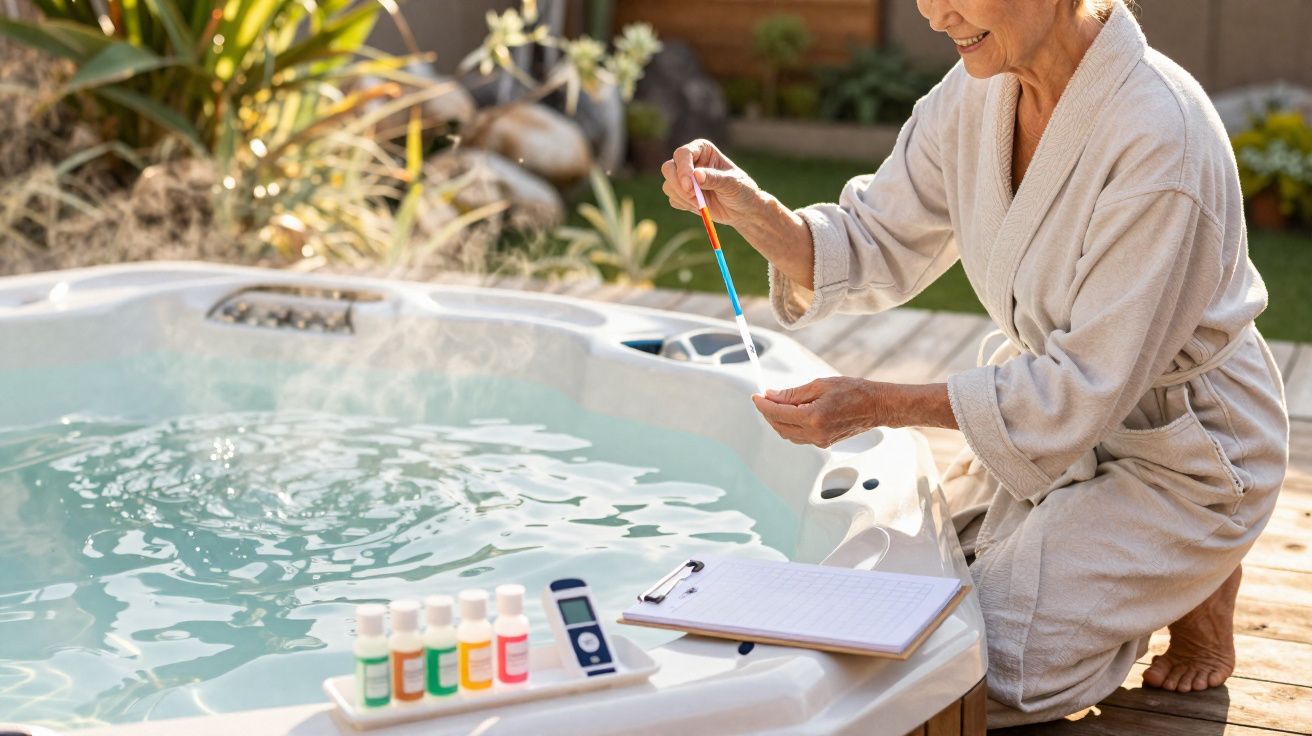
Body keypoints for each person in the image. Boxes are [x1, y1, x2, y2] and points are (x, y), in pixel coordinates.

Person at [661, 0, 1289, 727]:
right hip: (1058, 423)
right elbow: (870, 239)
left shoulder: (1160, 137)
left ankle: (1192, 566)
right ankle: (1158, 569)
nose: (934, 13)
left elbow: (1081, 386)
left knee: (975, 663)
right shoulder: (979, 91)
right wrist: (754, 209)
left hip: (1186, 453)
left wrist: (875, 403)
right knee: (908, 580)